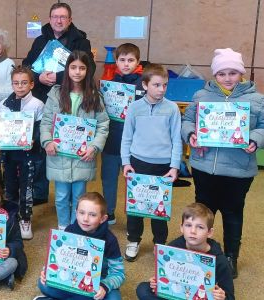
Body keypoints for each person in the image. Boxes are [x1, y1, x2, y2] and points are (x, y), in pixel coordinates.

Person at [181, 48, 264, 278]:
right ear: (215, 75)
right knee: (203, 213)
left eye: (233, 72)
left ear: (241, 73)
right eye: (222, 73)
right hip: (204, 167)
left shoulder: (257, 99)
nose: (227, 78)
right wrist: (192, 135)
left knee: (233, 213)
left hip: (239, 171)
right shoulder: (201, 96)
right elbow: (186, 121)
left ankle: (230, 256)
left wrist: (255, 139)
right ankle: (199, 251)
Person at [23, 2, 94, 207]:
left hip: (69, 98)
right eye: (55, 17)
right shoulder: (40, 40)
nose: (59, 20)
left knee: (67, 143)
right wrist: (39, 76)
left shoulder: (81, 41)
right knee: (42, 144)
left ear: (70, 20)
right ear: (50, 18)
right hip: (41, 98)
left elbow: (85, 68)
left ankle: (71, 195)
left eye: (63, 17)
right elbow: (28, 65)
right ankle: (40, 192)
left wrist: (57, 76)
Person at [40, 50, 109, 229]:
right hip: (59, 156)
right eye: (73, 67)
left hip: (83, 156)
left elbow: (103, 125)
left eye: (82, 68)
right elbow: (46, 121)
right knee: (61, 196)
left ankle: (76, 226)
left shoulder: (94, 96)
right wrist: (47, 141)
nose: (77, 72)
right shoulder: (55, 94)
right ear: (67, 69)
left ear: (88, 71)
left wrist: (94, 147)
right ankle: (64, 226)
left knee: (80, 197)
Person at [121, 64, 182, 262]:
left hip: (163, 166)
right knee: (136, 207)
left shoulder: (172, 108)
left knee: (159, 208)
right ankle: (133, 239)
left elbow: (176, 139)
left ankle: (159, 243)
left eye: (165, 85)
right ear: (145, 85)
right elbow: (127, 137)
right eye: (156, 85)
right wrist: (125, 162)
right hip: (138, 163)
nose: (161, 89)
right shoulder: (134, 107)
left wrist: (174, 166)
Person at [135, 203, 235, 300]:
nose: (193, 231)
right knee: (143, 289)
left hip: (199, 297)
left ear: (209, 232)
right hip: (177, 293)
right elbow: (166, 276)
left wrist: (222, 296)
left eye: (200, 227)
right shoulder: (173, 248)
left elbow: (230, 296)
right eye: (188, 225)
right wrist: (156, 282)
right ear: (181, 228)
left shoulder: (219, 260)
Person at [35, 192, 125, 300]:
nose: (85, 219)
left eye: (92, 215)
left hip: (98, 283)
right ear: (76, 213)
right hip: (71, 279)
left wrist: (105, 286)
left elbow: (119, 273)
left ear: (103, 218)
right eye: (81, 213)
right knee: (43, 284)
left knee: (114, 298)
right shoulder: (70, 231)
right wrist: (46, 271)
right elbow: (56, 259)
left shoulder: (110, 240)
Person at [0, 66, 44, 239]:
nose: (20, 86)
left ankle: (25, 218)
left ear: (31, 84)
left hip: (28, 154)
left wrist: (34, 140)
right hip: (9, 154)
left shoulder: (37, 105)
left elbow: (41, 128)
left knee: (27, 187)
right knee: (10, 187)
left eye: (24, 83)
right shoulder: (4, 105)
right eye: (16, 83)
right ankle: (12, 217)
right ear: (12, 85)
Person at [100, 43, 145, 225]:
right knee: (109, 179)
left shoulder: (144, 84)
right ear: (116, 61)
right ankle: (109, 212)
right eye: (122, 60)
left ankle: (133, 217)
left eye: (130, 60)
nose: (126, 64)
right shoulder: (109, 84)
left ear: (138, 61)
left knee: (133, 181)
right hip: (111, 141)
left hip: (135, 144)